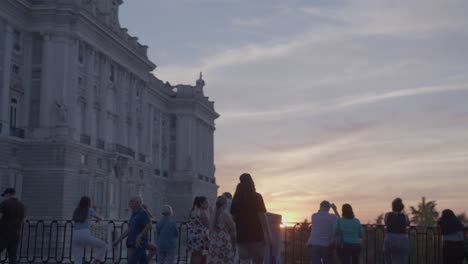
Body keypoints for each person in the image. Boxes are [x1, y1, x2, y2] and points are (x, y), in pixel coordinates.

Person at [230, 173, 272, 264]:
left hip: (242, 234)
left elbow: (233, 217)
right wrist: (267, 233)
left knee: (244, 260)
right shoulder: (257, 197)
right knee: (258, 260)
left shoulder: (236, 198)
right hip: (257, 234)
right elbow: (262, 217)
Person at [113, 196, 152, 264]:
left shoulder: (142, 212)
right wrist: (118, 240)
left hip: (139, 244)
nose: (129, 202)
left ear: (137, 203)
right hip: (133, 243)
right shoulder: (134, 214)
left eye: (131, 201)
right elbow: (129, 230)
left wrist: (140, 236)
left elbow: (149, 225)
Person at [72, 196, 107, 264]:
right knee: (103, 245)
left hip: (75, 235)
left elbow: (81, 221)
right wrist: (102, 219)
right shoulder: (90, 210)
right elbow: (99, 218)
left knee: (77, 258)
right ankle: (96, 261)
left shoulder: (76, 210)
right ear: (89, 203)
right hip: (85, 234)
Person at [0, 188, 27, 264]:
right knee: (12, 256)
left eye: (4, 195)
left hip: (4, 233)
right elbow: (24, 220)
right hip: (16, 234)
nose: (4, 197)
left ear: (8, 194)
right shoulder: (22, 205)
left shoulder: (5, 203)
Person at [207, 196, 236, 264]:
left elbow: (210, 229)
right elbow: (232, 228)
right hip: (224, 242)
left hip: (214, 241)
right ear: (225, 204)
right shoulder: (225, 214)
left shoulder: (213, 214)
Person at [384, 198, 410, 264]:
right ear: (402, 207)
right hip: (402, 240)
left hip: (390, 239)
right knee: (402, 259)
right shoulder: (405, 216)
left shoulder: (387, 215)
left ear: (392, 206)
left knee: (387, 255)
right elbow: (407, 223)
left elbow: (386, 223)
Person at [187, 196, 210, 264]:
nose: (208, 205)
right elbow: (208, 224)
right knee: (199, 255)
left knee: (193, 255)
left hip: (192, 235)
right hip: (200, 237)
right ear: (201, 203)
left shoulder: (192, 211)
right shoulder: (202, 212)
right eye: (206, 203)